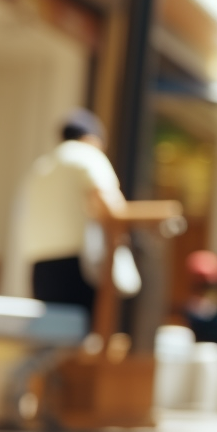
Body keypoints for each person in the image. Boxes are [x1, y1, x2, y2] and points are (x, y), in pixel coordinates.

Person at [20, 109, 129, 313]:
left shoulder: (42, 166)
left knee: (53, 329)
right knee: (84, 331)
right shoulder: (88, 156)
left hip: (39, 263)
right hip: (77, 262)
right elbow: (112, 206)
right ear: (91, 138)